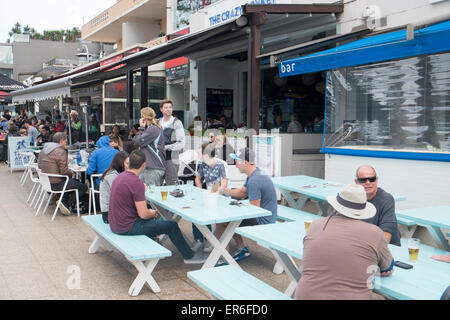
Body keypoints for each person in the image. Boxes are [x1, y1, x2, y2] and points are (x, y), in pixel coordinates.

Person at [295, 184, 394, 300]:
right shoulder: (375, 233)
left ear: (335, 207)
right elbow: (387, 267)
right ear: (363, 210)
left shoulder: (315, 225)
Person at [108, 149, 206, 264]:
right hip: (127, 227)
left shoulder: (120, 176)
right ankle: (189, 256)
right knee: (172, 226)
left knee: (158, 221)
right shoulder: (135, 182)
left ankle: (151, 247)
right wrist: (153, 213)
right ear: (144, 165)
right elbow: (143, 214)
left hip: (115, 223)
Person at [218, 147, 278, 263]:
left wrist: (232, 209)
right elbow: (242, 192)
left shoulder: (254, 181)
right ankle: (241, 248)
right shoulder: (255, 173)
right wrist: (224, 190)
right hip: (266, 215)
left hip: (264, 221)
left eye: (237, 162)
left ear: (245, 163)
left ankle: (223, 257)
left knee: (222, 221)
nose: (235, 165)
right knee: (226, 217)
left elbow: (254, 211)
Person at [38, 132, 88, 215]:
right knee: (83, 187)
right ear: (61, 141)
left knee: (73, 182)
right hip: (56, 183)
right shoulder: (60, 151)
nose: (66, 144)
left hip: (46, 182)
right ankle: (65, 203)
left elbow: (40, 165)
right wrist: (71, 173)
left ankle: (62, 201)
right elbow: (64, 172)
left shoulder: (44, 150)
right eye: (66, 141)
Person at [191, 142, 229, 251]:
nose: (198, 156)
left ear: (206, 155)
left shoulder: (222, 165)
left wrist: (211, 192)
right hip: (209, 197)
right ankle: (200, 238)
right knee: (195, 210)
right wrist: (200, 190)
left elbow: (224, 186)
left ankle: (210, 239)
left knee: (203, 210)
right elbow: (197, 178)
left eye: (199, 154)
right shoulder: (203, 165)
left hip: (222, 199)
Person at [355, 165, 401, 246]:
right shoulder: (351, 198)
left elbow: (386, 235)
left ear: (376, 180)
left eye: (372, 179)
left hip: (385, 248)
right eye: (363, 180)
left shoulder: (386, 199)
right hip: (360, 244)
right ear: (356, 182)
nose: (368, 183)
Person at [133, 107, 166, 186]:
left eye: (141, 116)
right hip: (148, 167)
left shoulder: (153, 129)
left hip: (153, 168)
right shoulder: (149, 129)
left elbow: (137, 142)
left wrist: (141, 128)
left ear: (144, 118)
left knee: (151, 195)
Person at [159, 99, 185, 185]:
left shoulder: (177, 123)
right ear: (161, 109)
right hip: (158, 158)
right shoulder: (157, 122)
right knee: (156, 185)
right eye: (166, 107)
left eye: (170, 107)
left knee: (171, 185)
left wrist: (164, 148)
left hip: (171, 159)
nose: (168, 109)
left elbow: (181, 143)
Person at [99, 151, 129, 224]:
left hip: (114, 210)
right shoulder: (112, 175)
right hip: (108, 214)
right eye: (127, 163)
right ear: (120, 163)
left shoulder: (116, 173)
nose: (129, 166)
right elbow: (121, 193)